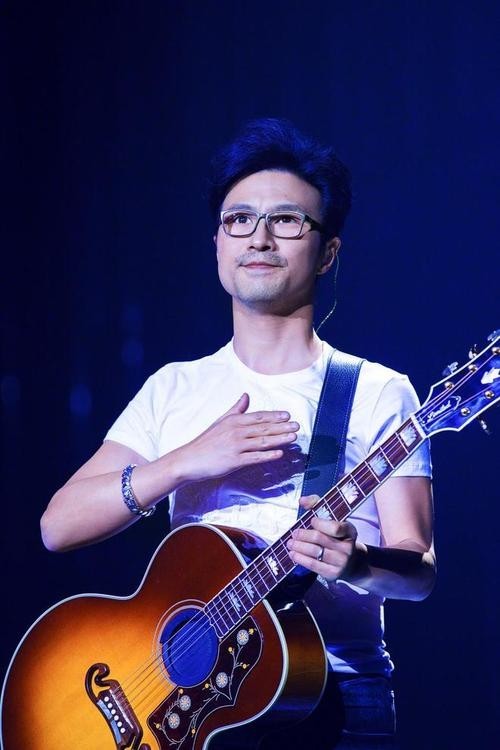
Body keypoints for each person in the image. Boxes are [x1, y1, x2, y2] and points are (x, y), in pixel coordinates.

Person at [40, 118, 435, 749]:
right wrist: (185, 461)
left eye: (287, 221)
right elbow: (58, 525)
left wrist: (359, 563)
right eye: (239, 219)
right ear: (217, 244)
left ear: (328, 252)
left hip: (330, 698)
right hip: (182, 708)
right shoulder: (174, 388)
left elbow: (418, 569)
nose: (259, 237)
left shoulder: (376, 391)